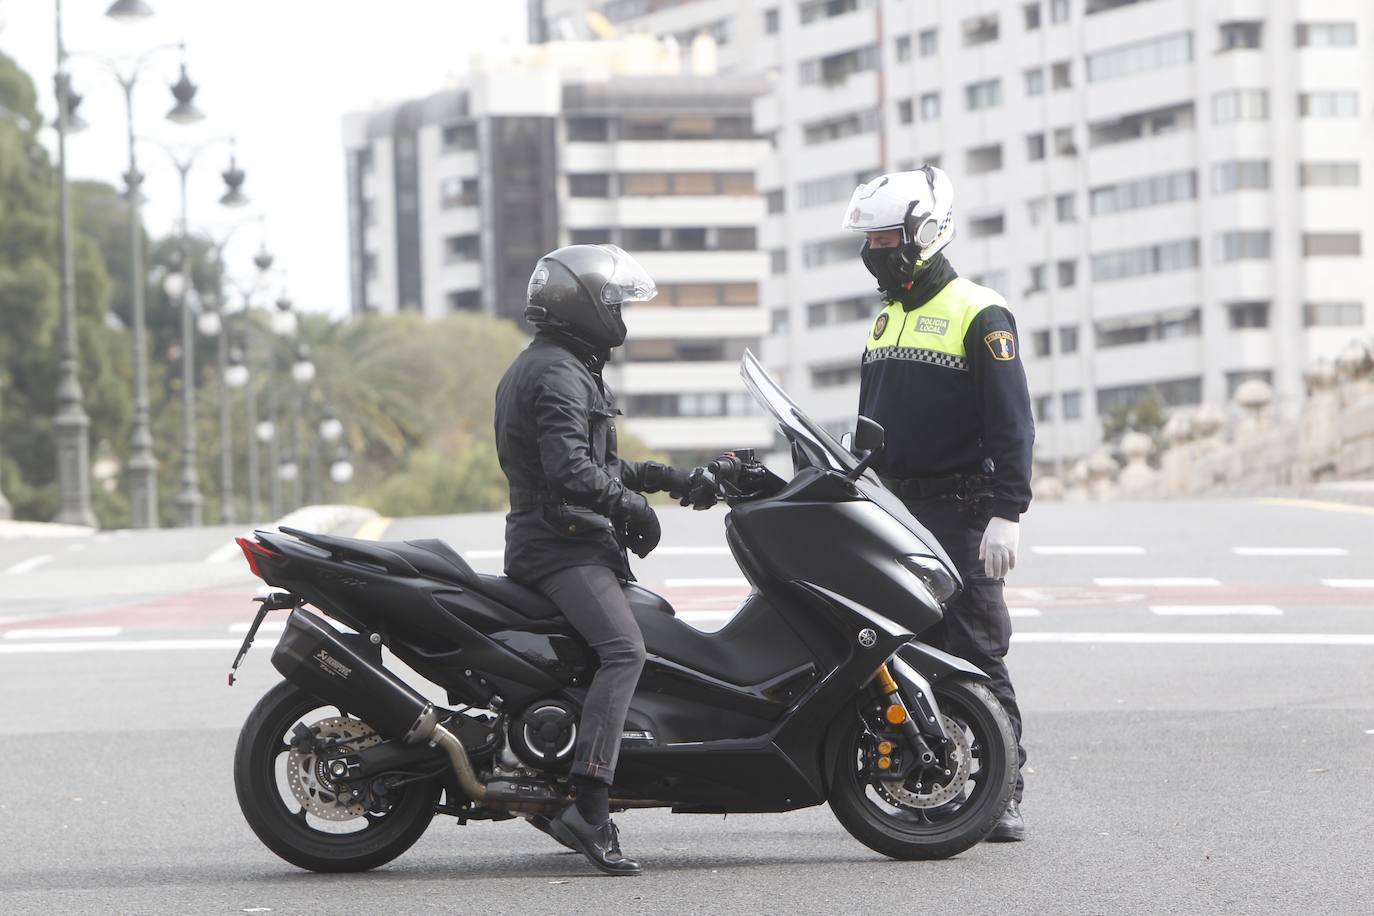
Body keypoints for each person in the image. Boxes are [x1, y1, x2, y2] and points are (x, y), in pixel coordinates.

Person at [494, 243, 714, 875]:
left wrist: (671, 479)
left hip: (559, 540)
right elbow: (570, 471)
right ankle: (589, 804)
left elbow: (597, 463)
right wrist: (632, 510)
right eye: (616, 303)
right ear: (585, 305)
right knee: (626, 651)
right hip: (559, 548)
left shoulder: (555, 365)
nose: (621, 315)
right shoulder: (559, 372)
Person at [841, 166, 1034, 842]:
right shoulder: (887, 319)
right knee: (907, 649)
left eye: (885, 237)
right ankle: (927, 778)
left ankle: (1003, 790)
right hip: (896, 512)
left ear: (925, 233)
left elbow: (1013, 425)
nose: (874, 252)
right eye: (869, 240)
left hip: (962, 511)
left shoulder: (980, 312)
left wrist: (1008, 512)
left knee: (976, 650)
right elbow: (870, 425)